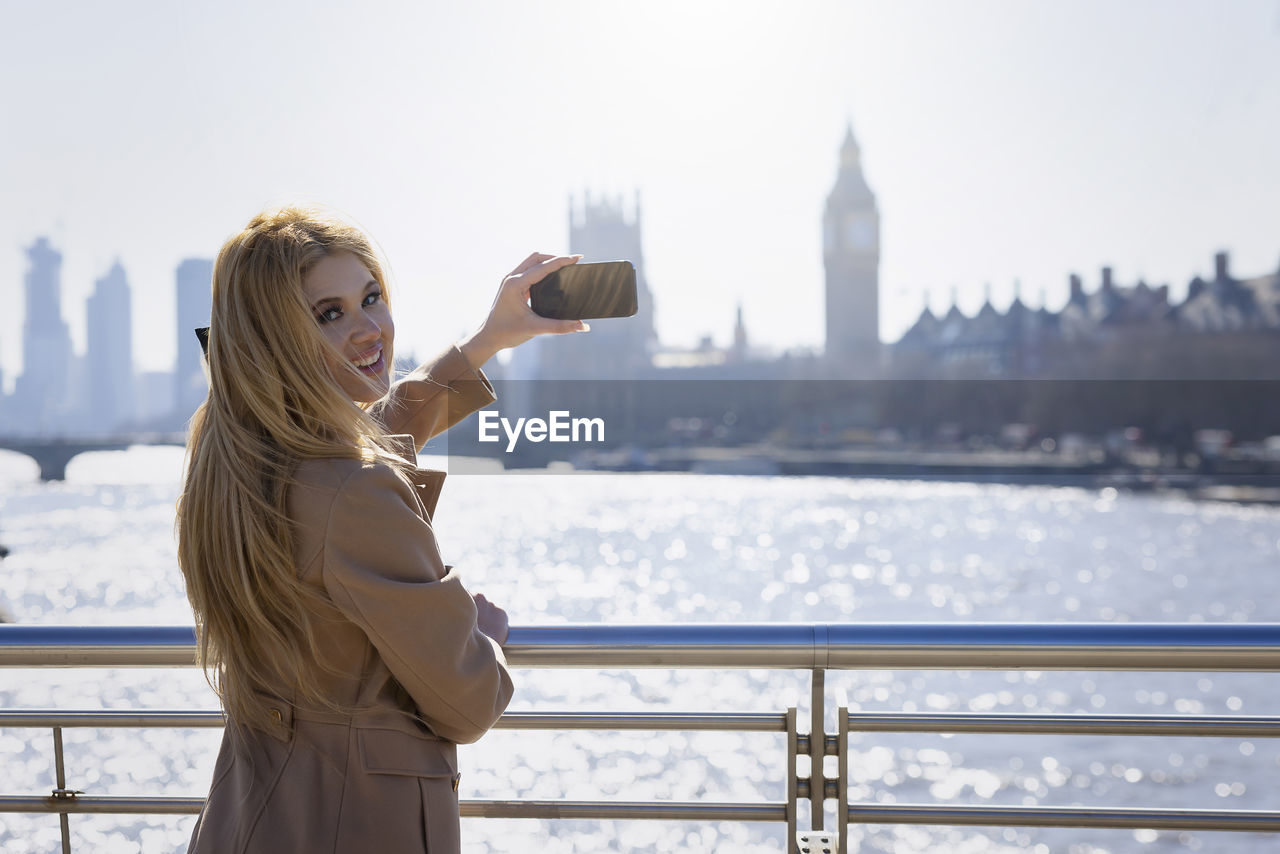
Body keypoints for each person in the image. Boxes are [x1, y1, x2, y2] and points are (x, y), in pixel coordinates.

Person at [177, 205, 586, 853]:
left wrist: (488, 338)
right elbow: (467, 702)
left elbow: (371, 439)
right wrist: (485, 639)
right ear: (275, 340)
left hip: (256, 816)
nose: (370, 330)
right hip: (353, 826)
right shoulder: (351, 489)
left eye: (371, 298)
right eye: (329, 314)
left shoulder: (237, 455)